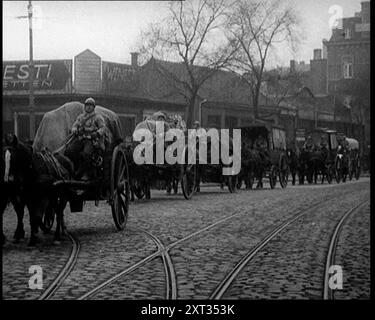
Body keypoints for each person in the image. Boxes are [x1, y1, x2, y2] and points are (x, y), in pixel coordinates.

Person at [65, 97, 106, 180]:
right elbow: (74, 125)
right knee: (69, 151)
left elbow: (103, 128)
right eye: (87, 105)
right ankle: (75, 169)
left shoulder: (98, 117)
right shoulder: (81, 117)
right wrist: (75, 130)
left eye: (91, 105)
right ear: (85, 106)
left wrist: (97, 133)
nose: (89, 107)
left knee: (86, 154)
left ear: (94, 107)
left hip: (91, 140)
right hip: (81, 139)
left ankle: (85, 173)